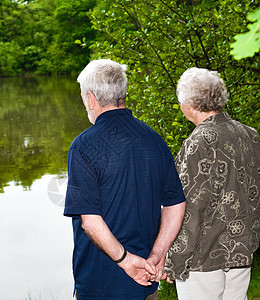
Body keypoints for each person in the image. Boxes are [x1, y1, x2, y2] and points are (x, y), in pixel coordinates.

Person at [64, 59, 186, 300]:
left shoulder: (83, 146)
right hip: (146, 280)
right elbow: (175, 203)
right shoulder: (153, 139)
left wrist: (126, 260)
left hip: (100, 283)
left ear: (90, 99)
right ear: (122, 94)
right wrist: (158, 253)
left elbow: (90, 221)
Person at [164, 67, 260, 300]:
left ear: (189, 104)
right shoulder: (247, 134)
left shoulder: (198, 143)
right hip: (241, 249)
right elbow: (259, 189)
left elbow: (189, 208)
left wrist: (176, 260)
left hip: (203, 258)